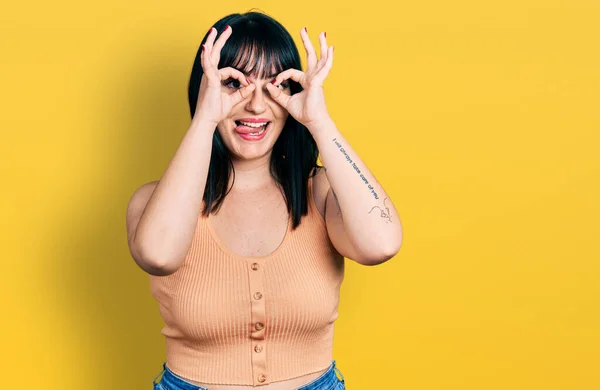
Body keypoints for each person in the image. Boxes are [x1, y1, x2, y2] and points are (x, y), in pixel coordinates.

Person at [126, 10, 403, 390]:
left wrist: (319, 122)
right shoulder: (154, 202)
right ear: (205, 88)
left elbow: (382, 243)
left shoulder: (321, 194)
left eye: (275, 85)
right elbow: (158, 255)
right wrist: (204, 121)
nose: (255, 105)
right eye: (234, 83)